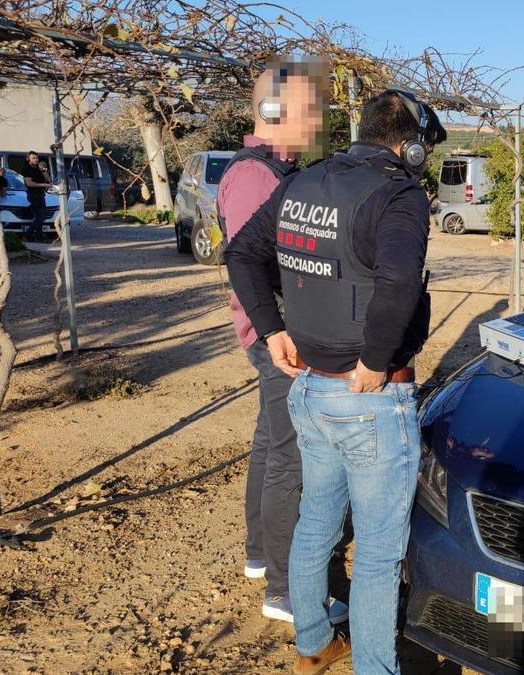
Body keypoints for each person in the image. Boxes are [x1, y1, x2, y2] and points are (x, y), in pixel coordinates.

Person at [226, 88, 445, 675]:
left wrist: (270, 330)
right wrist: (376, 361)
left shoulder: (305, 181)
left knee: (316, 521)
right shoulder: (399, 195)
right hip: (370, 397)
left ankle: (314, 644)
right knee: (376, 553)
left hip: (310, 393)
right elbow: (398, 285)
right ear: (412, 147)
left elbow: (240, 253)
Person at [215, 58, 334, 625]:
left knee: (268, 443)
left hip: (275, 333)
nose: (317, 122)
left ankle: (260, 555)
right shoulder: (253, 176)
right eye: (309, 111)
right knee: (288, 456)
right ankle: (285, 590)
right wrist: (277, 331)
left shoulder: (279, 171)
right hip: (275, 338)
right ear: (273, 112)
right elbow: (246, 263)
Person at [17, 151, 51, 241]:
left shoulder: (39, 169)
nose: (36, 160)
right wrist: (43, 185)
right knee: (39, 216)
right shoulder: (26, 169)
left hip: (41, 194)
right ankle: (38, 238)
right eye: (33, 158)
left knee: (42, 217)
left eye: (37, 158)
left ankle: (28, 235)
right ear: (28, 159)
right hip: (33, 195)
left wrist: (43, 170)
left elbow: (48, 180)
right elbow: (29, 184)